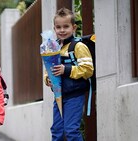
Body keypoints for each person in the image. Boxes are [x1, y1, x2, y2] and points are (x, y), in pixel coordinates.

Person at [44, 8, 94, 141]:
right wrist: (47, 79)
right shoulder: (53, 48)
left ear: (74, 27)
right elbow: (48, 69)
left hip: (74, 96)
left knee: (71, 131)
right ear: (54, 29)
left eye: (66, 26)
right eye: (58, 27)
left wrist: (65, 69)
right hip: (59, 96)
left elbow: (88, 69)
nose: (62, 30)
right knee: (57, 131)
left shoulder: (78, 47)